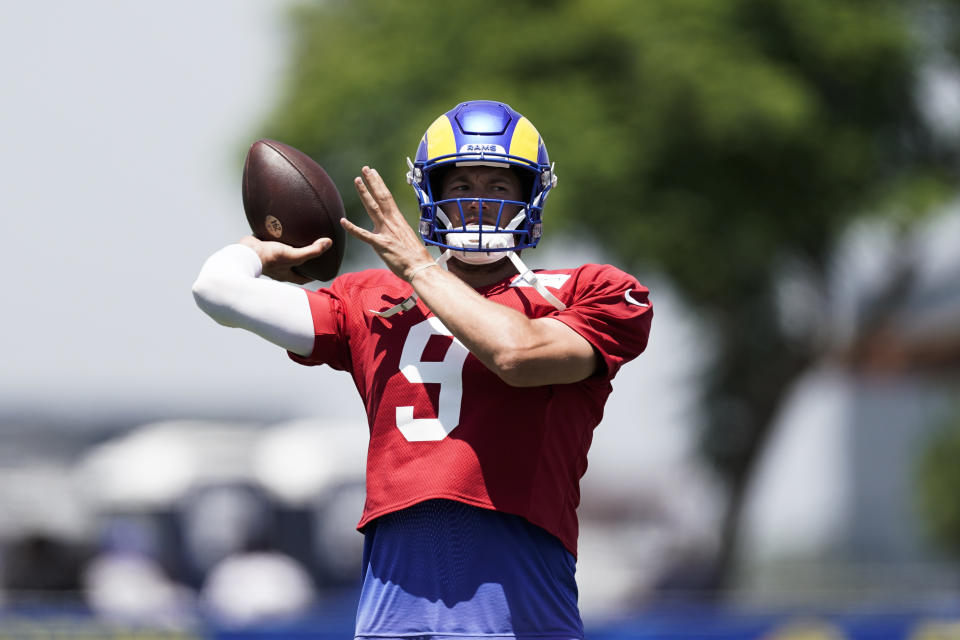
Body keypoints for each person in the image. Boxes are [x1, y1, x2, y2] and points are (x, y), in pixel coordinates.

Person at [193, 99, 653, 639]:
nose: (478, 203)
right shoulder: (369, 298)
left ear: (532, 196)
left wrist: (417, 268)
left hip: (519, 604)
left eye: (499, 187)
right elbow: (217, 291)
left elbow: (516, 356)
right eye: (459, 187)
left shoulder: (589, 291)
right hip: (396, 601)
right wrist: (256, 250)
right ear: (430, 195)